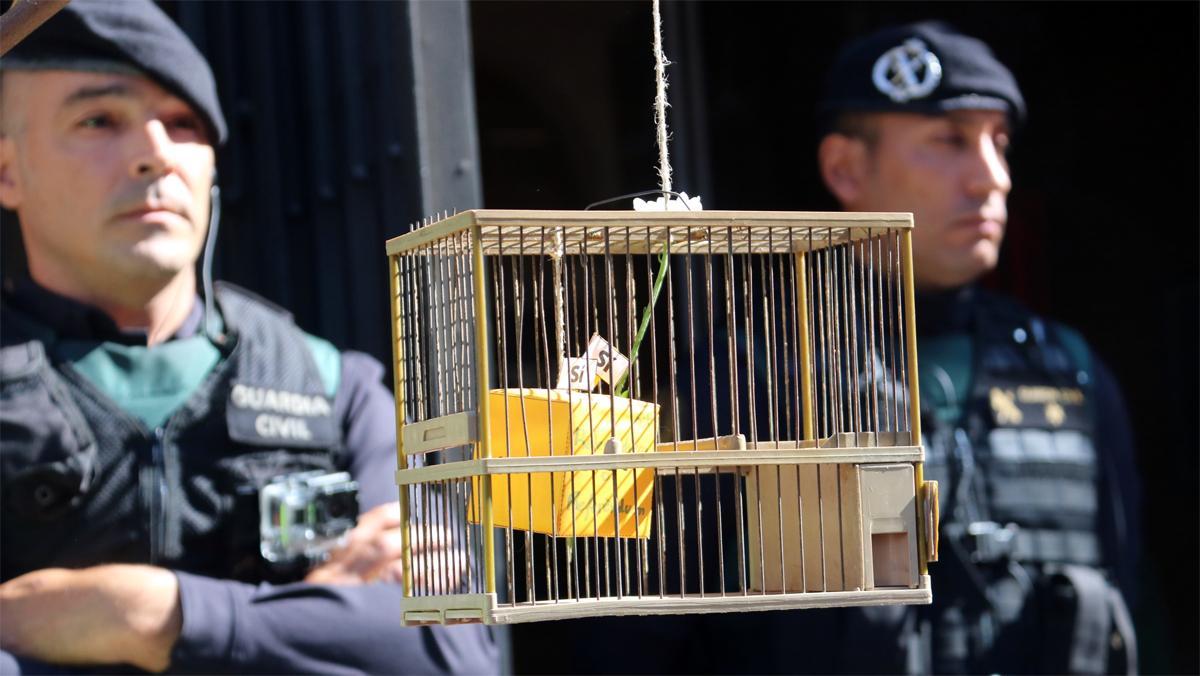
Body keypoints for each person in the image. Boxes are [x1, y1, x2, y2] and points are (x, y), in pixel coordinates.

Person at [0, 1, 497, 673]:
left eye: (183, 125)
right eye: (99, 120)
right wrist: (306, 620)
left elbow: (446, 650)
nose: (155, 155)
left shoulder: (331, 387)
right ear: (8, 171)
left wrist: (163, 615)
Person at [804, 19, 1141, 673]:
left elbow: (1133, 605)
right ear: (845, 169)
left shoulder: (1067, 366)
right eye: (950, 140)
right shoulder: (756, 375)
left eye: (1000, 142)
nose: (993, 179)